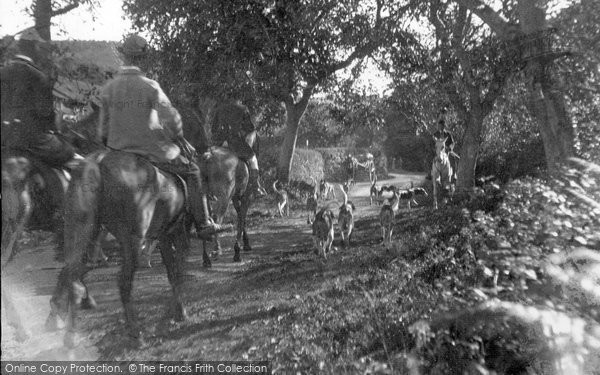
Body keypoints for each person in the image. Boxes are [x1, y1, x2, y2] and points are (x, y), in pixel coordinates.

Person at [97, 34, 225, 238]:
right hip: (149, 151)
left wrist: (114, 144)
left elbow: (102, 130)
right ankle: (204, 223)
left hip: (117, 153)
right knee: (192, 170)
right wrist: (177, 135)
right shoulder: (150, 86)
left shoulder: (109, 88)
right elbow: (173, 119)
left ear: (124, 57)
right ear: (143, 59)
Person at [1, 27, 79, 169]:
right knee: (68, 151)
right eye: (39, 47)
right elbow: (45, 114)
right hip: (31, 138)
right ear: (35, 48)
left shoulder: (2, 72)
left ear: (19, 47)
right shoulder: (39, 77)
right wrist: (55, 131)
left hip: (3, 136)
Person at [211, 101, 265, 196]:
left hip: (218, 143)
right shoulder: (243, 109)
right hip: (235, 143)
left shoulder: (219, 108)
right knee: (253, 159)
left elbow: (213, 129)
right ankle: (256, 187)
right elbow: (249, 128)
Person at [432, 119, 459, 183]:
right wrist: (435, 149)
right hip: (438, 151)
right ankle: (431, 173)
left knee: (453, 159)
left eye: (442, 126)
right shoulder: (435, 134)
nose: (440, 127)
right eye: (439, 126)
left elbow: (452, 142)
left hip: (447, 152)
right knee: (433, 159)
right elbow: (432, 144)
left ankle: (454, 174)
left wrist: (450, 147)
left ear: (444, 126)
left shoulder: (448, 134)